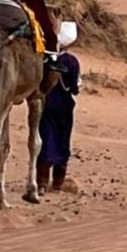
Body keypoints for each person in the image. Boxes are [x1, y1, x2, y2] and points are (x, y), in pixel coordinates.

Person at [37, 22, 81, 192]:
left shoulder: (43, 58)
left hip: (45, 105)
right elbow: (74, 88)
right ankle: (57, 182)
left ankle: (41, 182)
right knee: (62, 141)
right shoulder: (71, 61)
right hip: (64, 107)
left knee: (45, 139)